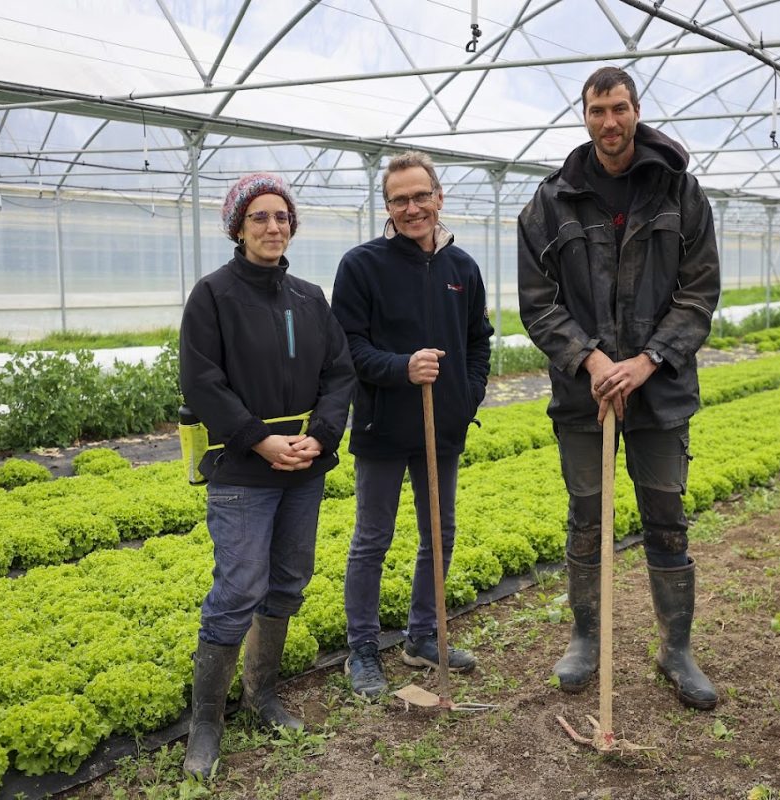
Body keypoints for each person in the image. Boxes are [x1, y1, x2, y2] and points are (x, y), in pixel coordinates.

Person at [516, 67, 722, 709]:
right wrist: (592, 361)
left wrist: (648, 360)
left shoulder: (680, 195)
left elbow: (698, 293)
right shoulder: (550, 203)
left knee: (666, 519)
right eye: (598, 110)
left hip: (659, 396)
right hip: (584, 399)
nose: (610, 122)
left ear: (637, 112)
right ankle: (585, 637)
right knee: (586, 520)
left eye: (620, 109)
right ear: (584, 115)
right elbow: (537, 302)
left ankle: (676, 648)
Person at [178, 173, 355, 777]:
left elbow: (339, 374)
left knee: (287, 582)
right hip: (242, 471)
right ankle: (206, 723)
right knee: (236, 590)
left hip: (301, 467)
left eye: (281, 217)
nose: (273, 226)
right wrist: (259, 440)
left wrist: (320, 437)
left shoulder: (309, 297)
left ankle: (261, 696)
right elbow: (202, 382)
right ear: (238, 226)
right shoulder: (213, 296)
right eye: (259, 217)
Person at [332, 151, 493, 699]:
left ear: (438, 197)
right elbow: (347, 348)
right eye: (399, 199)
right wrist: (401, 368)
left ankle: (424, 635)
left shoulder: (462, 269)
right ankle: (363, 649)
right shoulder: (362, 265)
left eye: (421, 195)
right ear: (387, 207)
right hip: (382, 426)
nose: (412, 207)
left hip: (441, 427)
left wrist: (467, 397)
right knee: (372, 539)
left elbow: (478, 340)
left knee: (439, 534)